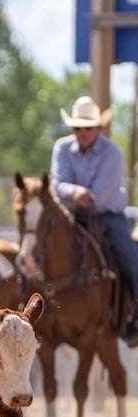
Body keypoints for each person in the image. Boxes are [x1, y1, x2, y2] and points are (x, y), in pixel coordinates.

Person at [51, 95, 138, 347]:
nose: (82, 133)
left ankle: (135, 315)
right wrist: (76, 193)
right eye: (77, 128)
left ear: (98, 128)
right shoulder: (62, 148)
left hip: (107, 217)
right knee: (42, 249)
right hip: (75, 216)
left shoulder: (112, 153)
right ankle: (38, 309)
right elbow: (56, 185)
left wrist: (72, 193)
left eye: (87, 128)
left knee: (129, 257)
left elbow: (99, 197)